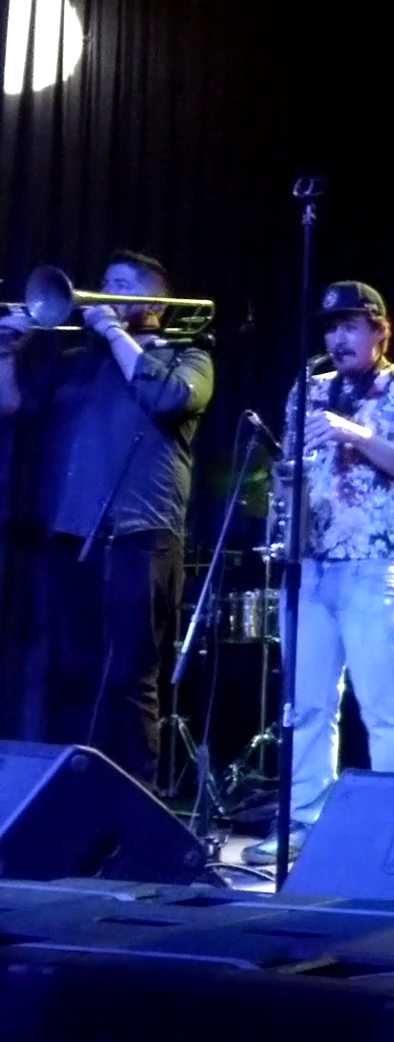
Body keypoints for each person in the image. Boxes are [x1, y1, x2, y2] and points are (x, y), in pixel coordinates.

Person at [243, 282, 394, 865]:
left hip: (373, 564)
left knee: (384, 707)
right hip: (309, 564)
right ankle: (303, 824)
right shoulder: (308, 389)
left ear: (381, 330)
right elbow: (292, 471)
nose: (338, 338)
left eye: (350, 326)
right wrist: (282, 489)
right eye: (331, 328)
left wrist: (352, 432)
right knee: (306, 706)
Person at [0, 251, 213, 786]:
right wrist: (6, 354)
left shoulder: (187, 356)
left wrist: (116, 333)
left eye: (121, 286)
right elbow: (13, 407)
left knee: (130, 676)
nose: (104, 294)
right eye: (105, 283)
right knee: (74, 673)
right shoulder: (76, 360)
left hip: (141, 534)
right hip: (72, 536)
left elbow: (171, 400)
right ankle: (76, 792)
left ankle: (136, 796)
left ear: (154, 304)